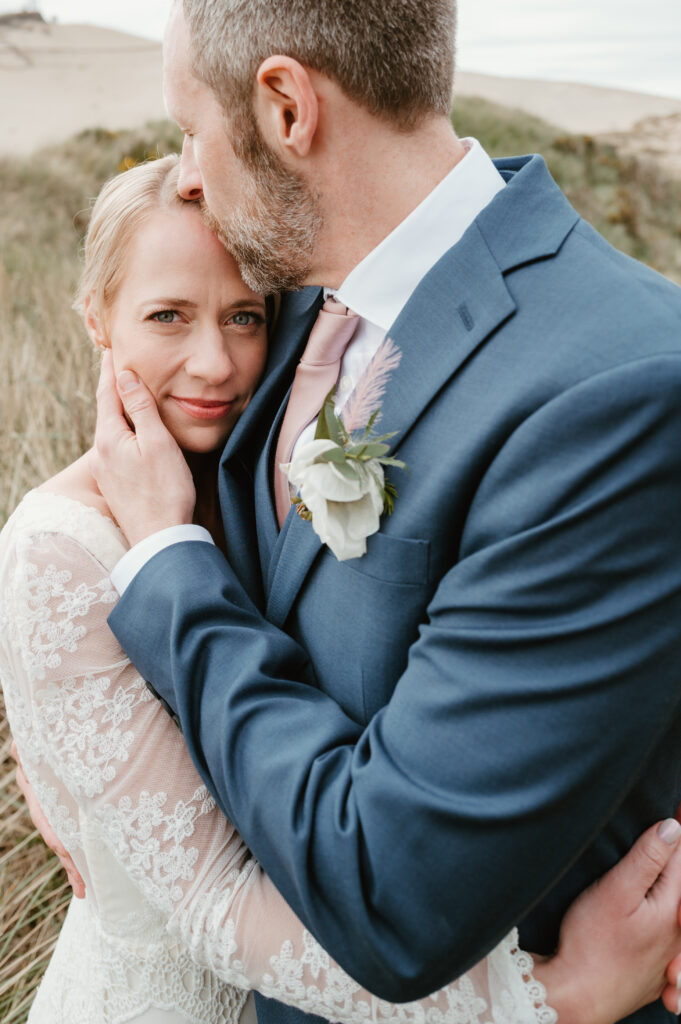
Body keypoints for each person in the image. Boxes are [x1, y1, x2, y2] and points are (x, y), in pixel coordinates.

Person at [78, 0, 681, 1021]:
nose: (185, 173)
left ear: (285, 107)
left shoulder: (617, 385)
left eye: (192, 126)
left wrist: (166, 565)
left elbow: (388, 889)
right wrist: (91, 766)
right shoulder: (287, 302)